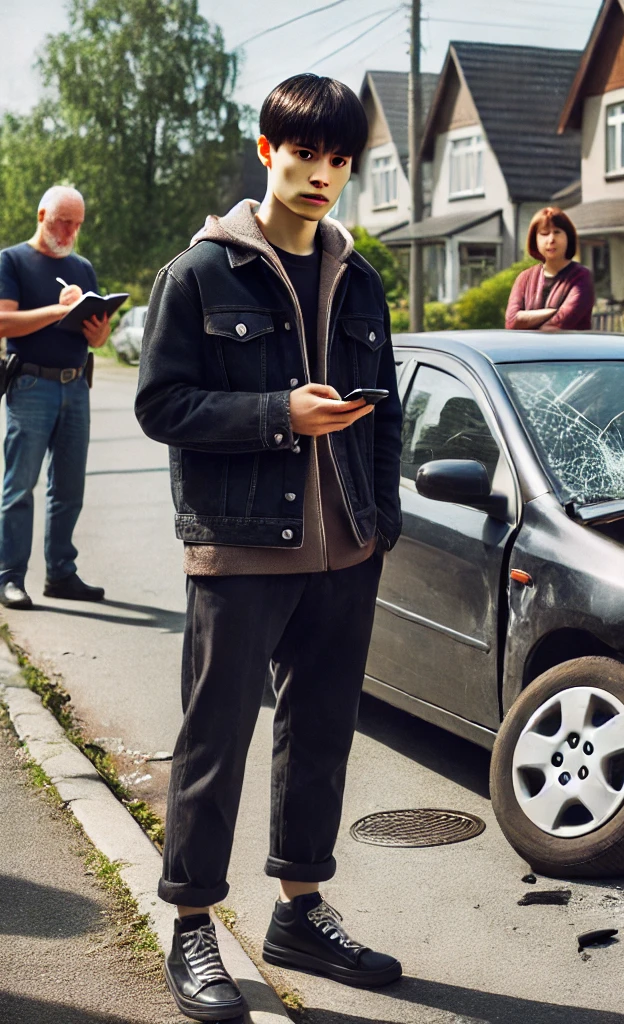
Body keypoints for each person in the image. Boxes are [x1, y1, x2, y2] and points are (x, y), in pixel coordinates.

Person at [135, 74, 403, 1021]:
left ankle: (299, 909)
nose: (323, 175)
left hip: (345, 553)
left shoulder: (360, 276)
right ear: (266, 151)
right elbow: (160, 405)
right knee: (215, 743)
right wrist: (276, 416)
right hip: (243, 549)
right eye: (305, 155)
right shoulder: (200, 274)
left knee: (320, 740)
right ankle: (194, 926)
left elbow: (388, 415)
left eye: (340, 160)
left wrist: (381, 527)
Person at [0, 186, 110, 610]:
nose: (70, 230)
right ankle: (10, 577)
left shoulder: (82, 266)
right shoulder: (12, 260)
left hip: (75, 384)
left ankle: (61, 572)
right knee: (20, 487)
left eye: (77, 223)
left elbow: (97, 335)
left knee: (69, 487)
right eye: (64, 220)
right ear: (42, 213)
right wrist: (55, 312)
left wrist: (98, 331)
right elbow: (4, 322)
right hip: (30, 384)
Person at [505, 206, 594, 331]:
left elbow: (560, 323)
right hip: (529, 350)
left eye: (557, 232)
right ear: (534, 240)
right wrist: (552, 311)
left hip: (570, 349)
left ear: (568, 237)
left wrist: (526, 321)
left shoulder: (582, 276)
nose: (551, 239)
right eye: (544, 233)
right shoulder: (524, 278)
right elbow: (511, 322)